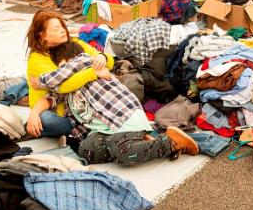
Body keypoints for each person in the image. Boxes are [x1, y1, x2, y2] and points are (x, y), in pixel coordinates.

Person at [24, 11, 198, 164]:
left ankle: (167, 144)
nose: (63, 30)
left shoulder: (74, 50)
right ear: (42, 35)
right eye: (56, 28)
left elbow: (105, 59)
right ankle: (143, 141)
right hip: (71, 116)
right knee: (86, 149)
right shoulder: (38, 59)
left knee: (121, 151)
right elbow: (59, 87)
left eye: (62, 26)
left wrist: (101, 58)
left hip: (113, 117)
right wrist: (33, 112)